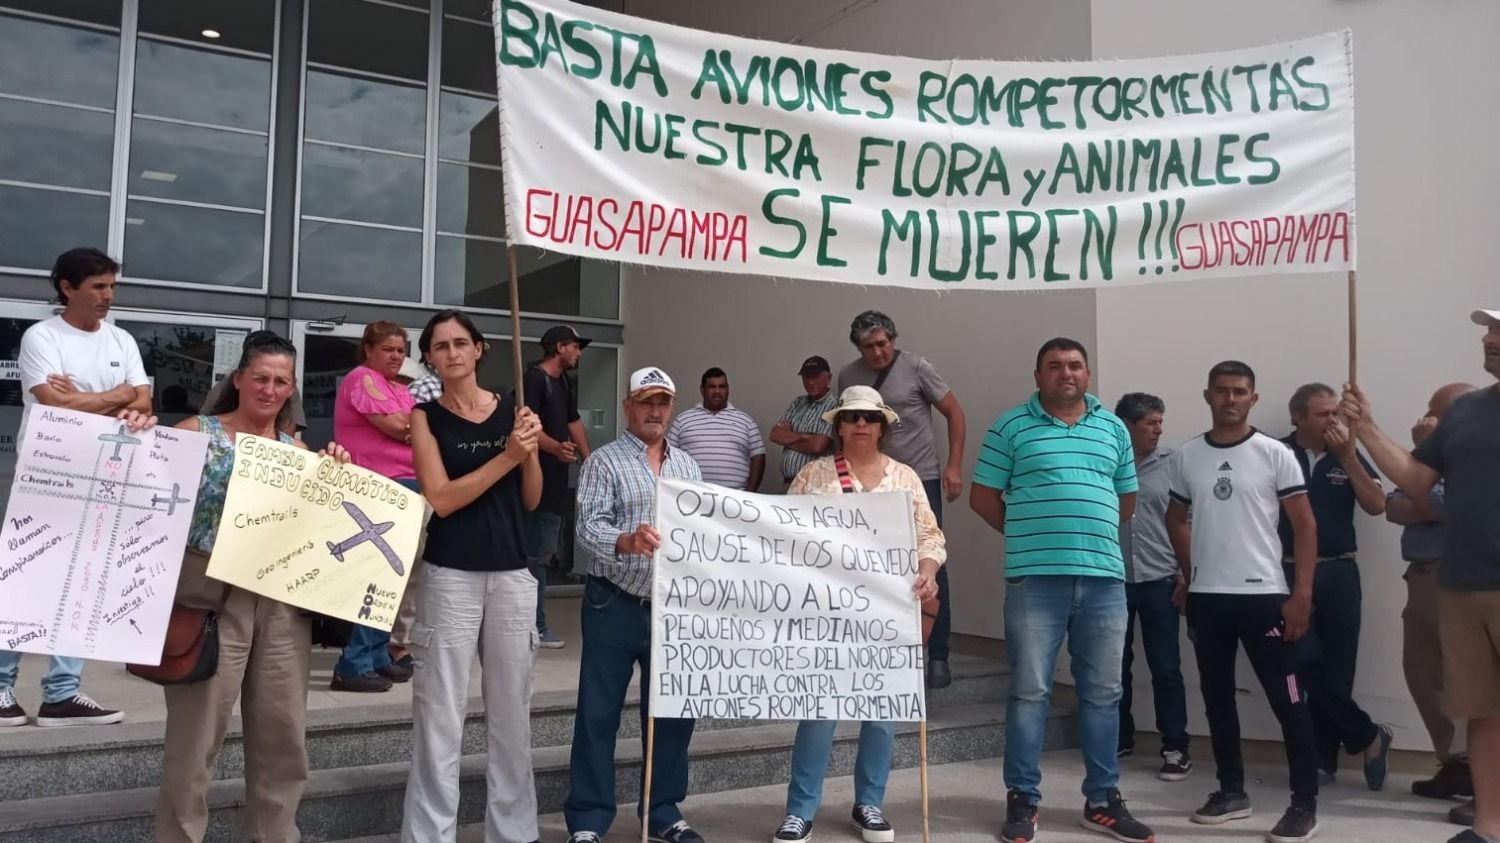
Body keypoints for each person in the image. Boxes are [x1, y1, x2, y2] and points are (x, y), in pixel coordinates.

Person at [157, 330, 352, 843]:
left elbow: (318, 529)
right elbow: (149, 500)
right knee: (195, 740)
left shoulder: (298, 452)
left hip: (282, 602)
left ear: (292, 389)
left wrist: (336, 477)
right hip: (209, 597)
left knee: (282, 740)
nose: (270, 389)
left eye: (281, 381)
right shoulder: (195, 433)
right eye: (261, 378)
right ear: (239, 379)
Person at [969, 338, 1153, 843]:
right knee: (1030, 693)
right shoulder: (1010, 427)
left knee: (1104, 694)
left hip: (1104, 582)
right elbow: (982, 498)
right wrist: (1031, 535)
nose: (1065, 373)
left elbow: (1126, 501)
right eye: (1054, 366)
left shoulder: (1113, 428)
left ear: (1087, 375)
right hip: (1035, 582)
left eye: (1074, 365)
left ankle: (1102, 801)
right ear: (1038, 376)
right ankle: (1023, 799)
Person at [1340, 308, 1500, 843]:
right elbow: (1415, 479)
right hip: (1462, 584)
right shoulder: (1467, 411)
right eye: (1487, 328)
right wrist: (1366, 428)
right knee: (1482, 713)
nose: (1488, 337)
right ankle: (1488, 827)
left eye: (1499, 329)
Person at [772, 385, 945, 843]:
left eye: (870, 417)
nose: (862, 424)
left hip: (887, 613)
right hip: (827, 615)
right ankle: (800, 809)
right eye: (852, 417)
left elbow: (930, 536)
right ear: (840, 426)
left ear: (883, 427)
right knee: (819, 713)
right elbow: (783, 536)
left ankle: (870, 803)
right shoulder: (813, 476)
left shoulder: (905, 478)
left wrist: (928, 571)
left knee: (881, 713)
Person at [401, 310, 543, 843]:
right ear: (429, 358)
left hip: (512, 573)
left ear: (479, 349)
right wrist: (508, 456)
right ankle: (429, 835)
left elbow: (531, 499)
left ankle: (514, 833)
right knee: (440, 716)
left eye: (461, 342)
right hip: (451, 574)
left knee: (512, 716)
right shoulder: (425, 417)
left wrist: (528, 450)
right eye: (441, 346)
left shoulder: (514, 411)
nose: (453, 353)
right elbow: (440, 497)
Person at [1164, 360, 1321, 843]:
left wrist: (1301, 594)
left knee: (1288, 702)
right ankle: (1231, 791)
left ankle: (1304, 805)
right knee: (1216, 699)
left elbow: (1305, 526)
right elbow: (1176, 519)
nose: (1230, 399)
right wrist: (1191, 573)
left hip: (1264, 598)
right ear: (1207, 395)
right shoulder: (1187, 456)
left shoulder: (1275, 454)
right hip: (1209, 600)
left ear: (1253, 398)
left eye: (1239, 391)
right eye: (1221, 390)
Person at [0, 247, 148, 728]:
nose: (108, 295)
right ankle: (1, 687)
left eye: (112, 286)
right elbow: (51, 403)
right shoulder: (43, 337)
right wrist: (117, 396)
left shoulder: (122, 339)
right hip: (48, 474)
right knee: (26, 578)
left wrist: (89, 398)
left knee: (85, 581)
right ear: (67, 288)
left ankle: (62, 693)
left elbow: (143, 402)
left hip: (104, 475)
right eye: (98, 286)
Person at [566, 367, 704, 843]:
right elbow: (587, 528)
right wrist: (626, 540)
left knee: (672, 712)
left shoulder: (688, 467)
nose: (655, 411)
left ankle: (662, 811)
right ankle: (588, 818)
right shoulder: (603, 462)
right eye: (646, 401)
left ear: (672, 408)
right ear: (628, 406)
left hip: (672, 607)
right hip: (614, 602)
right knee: (598, 712)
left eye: (663, 402)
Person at [839, 310, 966, 689]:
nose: (878, 352)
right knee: (868, 563)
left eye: (883, 343)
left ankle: (938, 655)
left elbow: (954, 412)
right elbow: (844, 425)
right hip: (869, 483)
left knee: (931, 563)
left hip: (919, 479)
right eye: (869, 346)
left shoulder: (917, 367)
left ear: (893, 340)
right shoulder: (848, 376)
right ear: (858, 348)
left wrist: (954, 465)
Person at [1277, 383, 1392, 788]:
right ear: (1298, 416)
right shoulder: (1274, 452)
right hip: (1288, 572)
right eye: (1323, 414)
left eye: (1336, 413)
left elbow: (1377, 505)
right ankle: (1368, 735)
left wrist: (1348, 457)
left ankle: (1323, 760)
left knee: (1339, 668)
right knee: (1304, 660)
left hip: (1340, 572)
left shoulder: (1347, 452)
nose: (1333, 421)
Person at [1387, 383, 1475, 802]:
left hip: (1457, 575)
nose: (1425, 418)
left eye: (1434, 411)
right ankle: (1457, 765)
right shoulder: (1430, 457)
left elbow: (1451, 507)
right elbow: (1393, 505)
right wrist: (1423, 496)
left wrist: (1423, 493)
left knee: (1470, 679)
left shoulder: (1477, 451)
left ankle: (1482, 777)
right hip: (1421, 577)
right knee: (1422, 673)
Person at [328, 321, 419, 692]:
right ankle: (353, 663)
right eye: (388, 349)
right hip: (380, 488)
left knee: (392, 580)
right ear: (368, 349)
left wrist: (419, 429)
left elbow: (421, 428)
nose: (396, 356)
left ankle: (377, 654)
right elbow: (400, 426)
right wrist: (418, 429)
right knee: (379, 578)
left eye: (401, 350)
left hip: (403, 487)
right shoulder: (363, 378)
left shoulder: (396, 386)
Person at [1113, 392, 1191, 781]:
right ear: (1128, 426)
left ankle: (1175, 747)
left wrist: (1186, 571)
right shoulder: (1108, 461)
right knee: (1115, 666)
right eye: (1151, 423)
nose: (1159, 430)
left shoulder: (1174, 464)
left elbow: (1189, 519)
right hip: (1114, 582)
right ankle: (1119, 738)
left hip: (1161, 581)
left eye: (1161, 422)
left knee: (1166, 668)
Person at [522, 325, 594, 649]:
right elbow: (526, 424)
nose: (579, 353)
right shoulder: (534, 379)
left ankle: (534, 624)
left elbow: (572, 421)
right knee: (533, 557)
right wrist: (555, 448)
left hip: (554, 482)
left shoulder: (563, 381)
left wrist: (590, 459)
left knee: (544, 555)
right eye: (575, 347)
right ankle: (533, 625)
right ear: (560, 347)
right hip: (532, 480)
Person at [667, 367, 765, 491]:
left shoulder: (746, 422)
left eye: (722, 387)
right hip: (692, 496)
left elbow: (758, 456)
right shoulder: (682, 420)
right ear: (702, 390)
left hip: (735, 497)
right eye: (712, 387)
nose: (717, 391)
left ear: (728, 390)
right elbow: (667, 455)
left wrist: (750, 493)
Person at [769, 356, 837, 486]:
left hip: (816, 486)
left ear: (829, 378)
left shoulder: (835, 406)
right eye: (806, 377)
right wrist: (804, 437)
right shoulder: (797, 403)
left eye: (815, 376)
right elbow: (775, 435)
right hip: (788, 483)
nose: (810, 382)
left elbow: (818, 445)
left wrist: (788, 438)